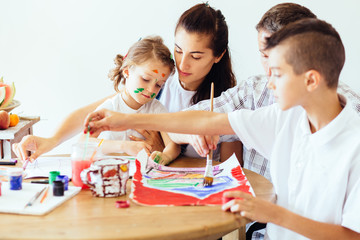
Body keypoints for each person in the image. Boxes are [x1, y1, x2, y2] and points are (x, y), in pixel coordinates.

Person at [83, 18, 360, 240]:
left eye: (276, 73)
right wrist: (126, 120)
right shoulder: (283, 118)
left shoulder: (354, 146)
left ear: (311, 80)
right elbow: (207, 120)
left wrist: (273, 213)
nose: (269, 83)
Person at [12, 3, 240, 163]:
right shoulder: (159, 80)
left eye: (196, 56)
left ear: (218, 55)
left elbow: (232, 171)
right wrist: (51, 141)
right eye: (178, 50)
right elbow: (92, 115)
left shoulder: (226, 100)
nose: (182, 64)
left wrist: (166, 150)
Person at [169, 2, 360, 180]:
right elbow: (179, 123)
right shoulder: (254, 91)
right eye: (264, 55)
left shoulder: (351, 112)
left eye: (279, 58)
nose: (270, 70)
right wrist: (194, 130)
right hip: (253, 211)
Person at [84, 36, 180, 165]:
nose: (151, 90)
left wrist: (166, 156)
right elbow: (84, 143)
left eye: (159, 85)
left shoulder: (156, 109)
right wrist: (123, 146)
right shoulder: (109, 108)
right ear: (127, 72)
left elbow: (173, 145)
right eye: (146, 79)